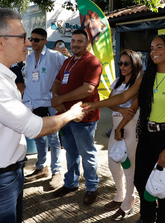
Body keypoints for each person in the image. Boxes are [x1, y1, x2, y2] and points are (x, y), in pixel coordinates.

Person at [0, 8, 85, 223]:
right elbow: (34, 127)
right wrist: (71, 113)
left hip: (6, 173)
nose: (28, 43)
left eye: (30, 38)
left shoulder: (0, 75)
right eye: (22, 38)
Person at [83, 34, 165, 223]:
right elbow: (123, 98)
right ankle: (147, 216)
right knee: (141, 180)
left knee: (164, 184)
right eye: (151, 48)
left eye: (159, 47)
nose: (154, 51)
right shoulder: (147, 77)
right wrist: (92, 105)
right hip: (147, 135)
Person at [51, 29, 102, 206]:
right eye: (73, 41)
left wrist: (61, 99)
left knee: (87, 153)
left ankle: (92, 187)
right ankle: (71, 183)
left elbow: (88, 89)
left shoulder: (92, 62)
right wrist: (56, 97)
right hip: (66, 116)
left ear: (86, 43)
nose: (75, 44)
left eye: (79, 41)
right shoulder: (68, 61)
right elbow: (57, 81)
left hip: (84, 118)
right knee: (71, 153)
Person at [23, 28, 66, 189]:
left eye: (37, 39)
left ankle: (57, 171)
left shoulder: (55, 56)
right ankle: (42, 168)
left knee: (53, 140)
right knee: (38, 138)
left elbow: (68, 67)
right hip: (32, 103)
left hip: (49, 104)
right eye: (31, 39)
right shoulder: (28, 58)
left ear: (45, 41)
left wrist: (60, 95)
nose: (33, 42)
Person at [104, 50, 143, 220]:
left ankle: (129, 200)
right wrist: (119, 109)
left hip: (130, 127)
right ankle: (119, 196)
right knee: (113, 163)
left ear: (134, 64)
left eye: (126, 63)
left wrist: (120, 127)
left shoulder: (138, 83)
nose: (123, 67)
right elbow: (111, 102)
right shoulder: (118, 81)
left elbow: (133, 109)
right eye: (120, 63)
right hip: (116, 127)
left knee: (128, 167)